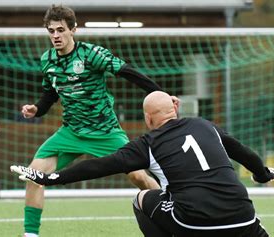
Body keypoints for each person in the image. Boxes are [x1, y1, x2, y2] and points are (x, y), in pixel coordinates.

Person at [12, 91, 274, 237]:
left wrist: (51, 178)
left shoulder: (148, 142)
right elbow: (244, 153)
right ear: (175, 109)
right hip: (243, 218)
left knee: (141, 198)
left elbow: (100, 166)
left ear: (148, 119)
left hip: (194, 223)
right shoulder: (206, 126)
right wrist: (262, 174)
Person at [20, 5, 174, 237]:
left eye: (60, 30)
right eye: (51, 31)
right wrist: (37, 109)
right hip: (70, 133)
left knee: (138, 176)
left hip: (106, 131)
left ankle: (172, 214)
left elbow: (128, 72)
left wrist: (161, 95)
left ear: (73, 30)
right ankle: (30, 234)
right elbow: (51, 92)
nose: (55, 36)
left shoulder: (92, 54)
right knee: (34, 174)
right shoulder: (47, 59)